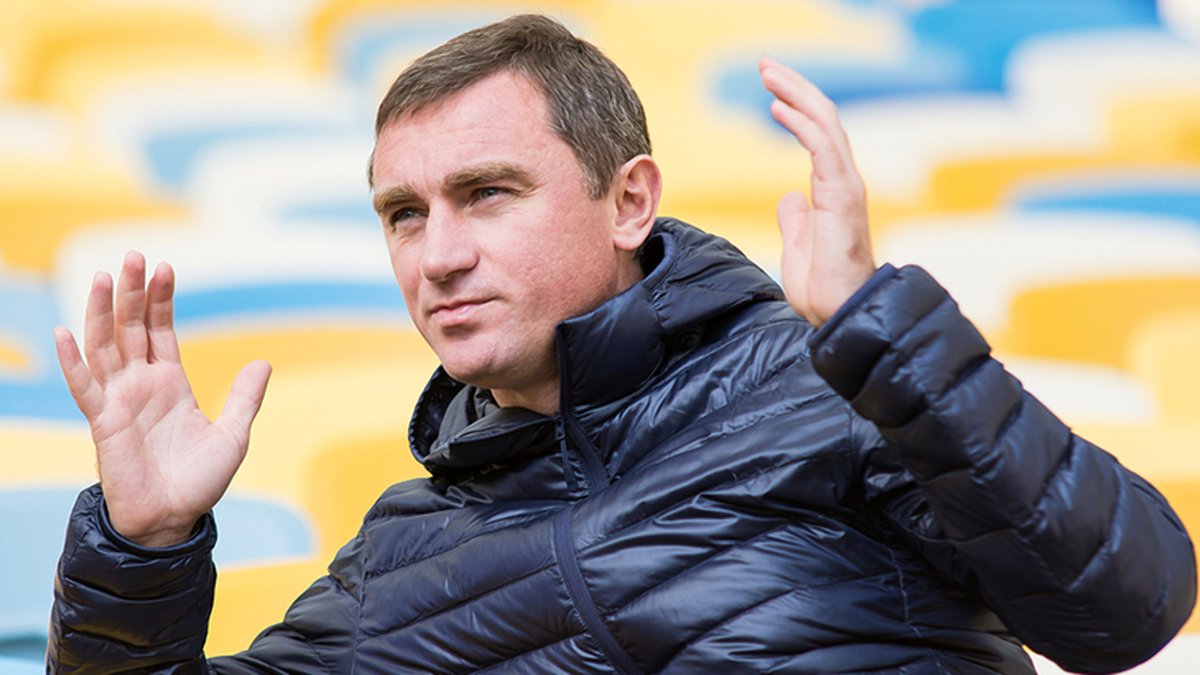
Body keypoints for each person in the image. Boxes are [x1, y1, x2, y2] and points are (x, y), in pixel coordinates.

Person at [47, 14, 1194, 674]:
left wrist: (884, 338)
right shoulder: (399, 560)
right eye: (404, 214)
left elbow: (1126, 609)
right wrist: (141, 550)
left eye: (486, 193)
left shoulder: (832, 389)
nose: (437, 255)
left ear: (630, 201)